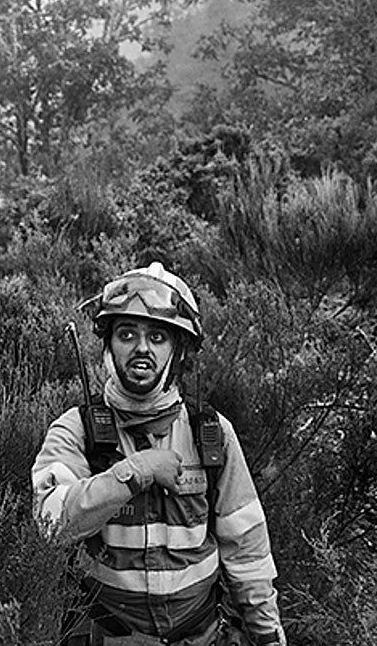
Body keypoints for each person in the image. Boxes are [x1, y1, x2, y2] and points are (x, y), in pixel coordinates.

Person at [31, 263, 286, 646]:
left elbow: (247, 551)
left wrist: (268, 636)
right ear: (108, 344)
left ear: (179, 350)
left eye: (158, 336)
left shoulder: (212, 434)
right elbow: (51, 525)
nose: (141, 348)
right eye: (127, 333)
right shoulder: (75, 430)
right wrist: (137, 471)